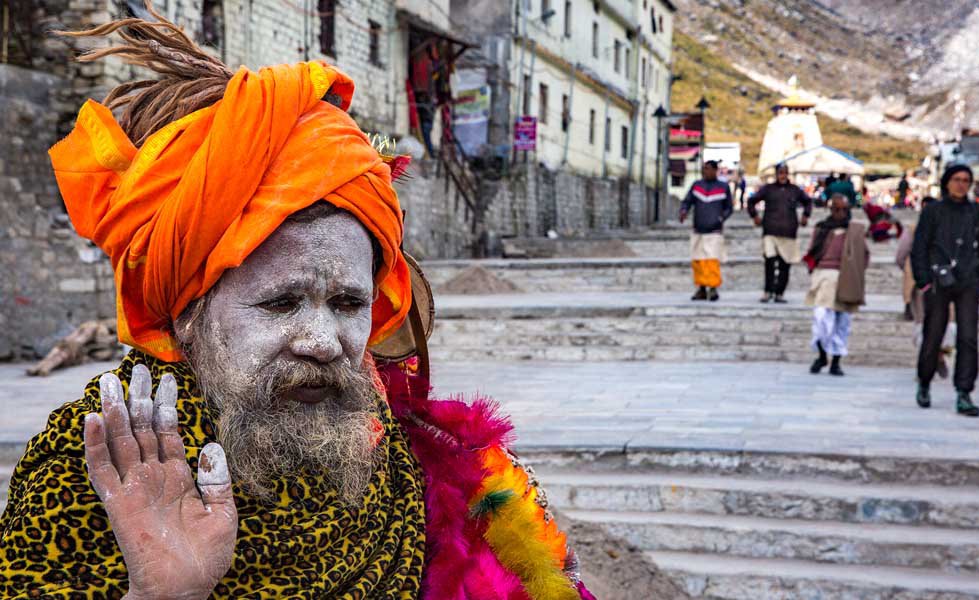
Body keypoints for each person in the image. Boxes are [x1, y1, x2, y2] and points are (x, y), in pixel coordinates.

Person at [0, 11, 595, 600]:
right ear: (187, 314)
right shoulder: (87, 469)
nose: (324, 340)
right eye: (281, 303)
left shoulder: (409, 456)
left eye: (347, 302)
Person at [911, 165, 979, 417]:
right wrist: (924, 280)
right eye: (957, 180)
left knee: (968, 337)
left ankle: (964, 391)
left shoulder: (976, 212)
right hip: (938, 281)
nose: (961, 184)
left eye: (966, 181)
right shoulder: (933, 211)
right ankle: (924, 381)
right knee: (933, 334)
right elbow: (920, 247)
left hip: (968, 282)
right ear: (947, 182)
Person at [802, 195, 868, 376]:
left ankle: (836, 361)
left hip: (846, 277)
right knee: (821, 317)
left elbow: (864, 255)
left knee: (842, 322)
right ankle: (822, 355)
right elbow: (813, 250)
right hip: (824, 276)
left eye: (844, 210)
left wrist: (854, 273)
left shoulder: (854, 231)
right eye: (836, 209)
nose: (840, 213)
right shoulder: (822, 228)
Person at [896, 196, 951, 377]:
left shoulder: (914, 230)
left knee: (926, 324)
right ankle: (934, 360)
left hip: (931, 283)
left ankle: (933, 360)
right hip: (930, 283)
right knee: (930, 323)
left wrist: (909, 270)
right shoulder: (943, 230)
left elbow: (900, 256)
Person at [748, 163, 813, 303]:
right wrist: (755, 216)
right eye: (780, 172)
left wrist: (805, 215)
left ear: (787, 174)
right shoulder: (768, 189)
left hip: (789, 231)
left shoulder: (795, 190)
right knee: (769, 263)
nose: (782, 175)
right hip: (770, 230)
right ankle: (768, 291)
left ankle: (779, 293)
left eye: (785, 172)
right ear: (776, 174)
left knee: (785, 264)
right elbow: (751, 201)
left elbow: (808, 201)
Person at [681, 160, 733, 301]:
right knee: (698, 261)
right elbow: (687, 201)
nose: (706, 172)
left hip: (714, 230)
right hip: (698, 229)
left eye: (709, 169)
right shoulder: (697, 186)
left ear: (716, 171)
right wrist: (684, 211)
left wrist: (721, 218)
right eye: (704, 169)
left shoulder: (723, 187)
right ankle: (701, 289)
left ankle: (713, 288)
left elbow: (729, 207)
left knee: (711, 260)